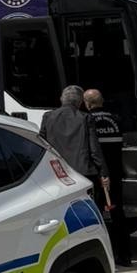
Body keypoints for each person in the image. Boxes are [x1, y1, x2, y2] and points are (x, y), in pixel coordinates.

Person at [39, 83, 110, 230]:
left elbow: (42, 144)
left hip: (57, 173)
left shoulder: (48, 116)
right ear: (80, 102)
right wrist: (103, 172)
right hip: (82, 172)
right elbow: (94, 148)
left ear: (61, 99)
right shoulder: (85, 117)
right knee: (86, 212)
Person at [85, 88, 133, 267]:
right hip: (116, 173)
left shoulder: (87, 120)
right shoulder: (116, 119)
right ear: (102, 101)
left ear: (87, 103)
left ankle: (101, 255)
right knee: (118, 214)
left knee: (96, 214)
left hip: (98, 175)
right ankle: (125, 255)